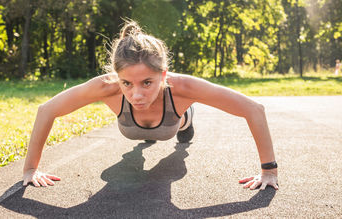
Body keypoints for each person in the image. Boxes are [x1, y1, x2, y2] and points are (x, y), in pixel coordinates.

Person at [22, 20, 278, 191]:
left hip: (172, 122)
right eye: (127, 84)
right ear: (116, 77)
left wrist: (268, 171)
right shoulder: (106, 87)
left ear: (163, 75)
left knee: (174, 167)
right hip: (130, 126)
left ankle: (186, 123)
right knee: (114, 175)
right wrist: (31, 169)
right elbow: (47, 110)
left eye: (147, 82)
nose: (137, 94)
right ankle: (141, 145)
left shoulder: (183, 87)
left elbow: (254, 109)